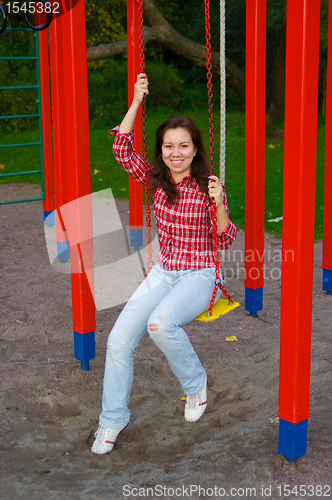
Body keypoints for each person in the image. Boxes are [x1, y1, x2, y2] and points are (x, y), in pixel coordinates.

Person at [91, 74, 237, 455]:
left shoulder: (208, 186)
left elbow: (224, 240)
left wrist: (219, 203)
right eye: (169, 146)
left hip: (199, 275)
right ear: (162, 149)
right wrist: (138, 99)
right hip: (162, 272)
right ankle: (111, 421)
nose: (176, 153)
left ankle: (195, 386)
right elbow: (122, 148)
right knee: (118, 340)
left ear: (194, 149)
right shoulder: (156, 180)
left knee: (160, 324)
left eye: (183, 146)